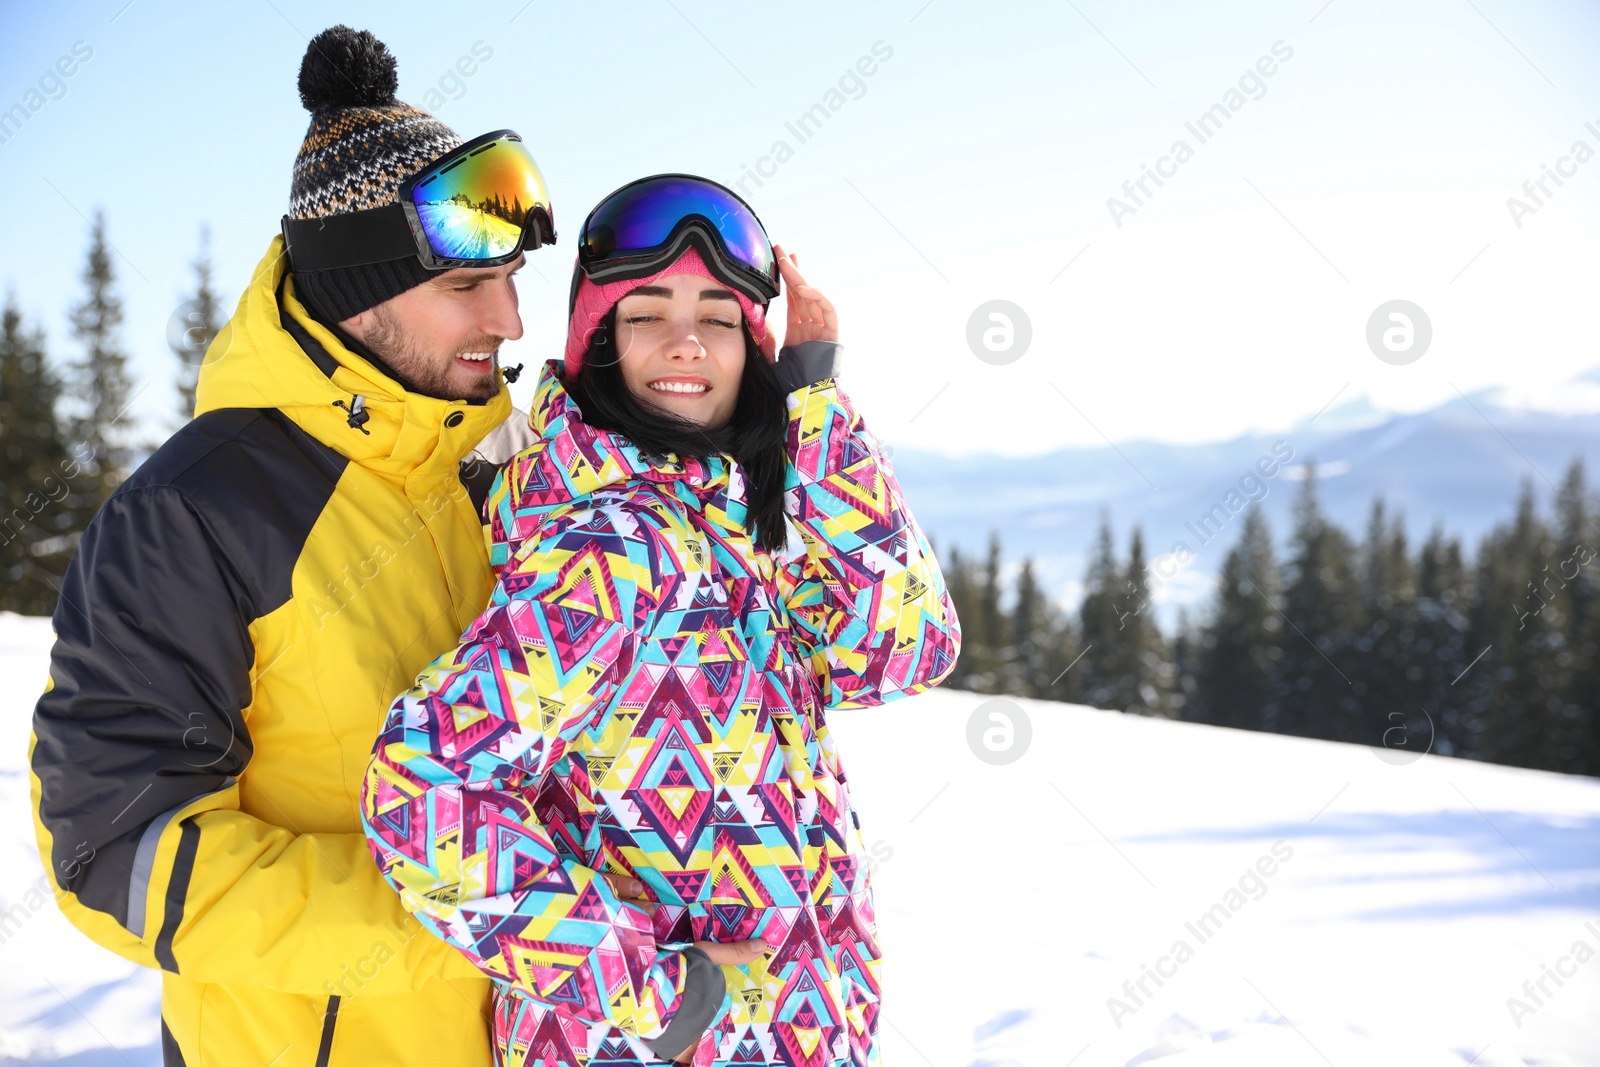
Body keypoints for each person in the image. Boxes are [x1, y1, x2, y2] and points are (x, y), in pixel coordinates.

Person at [28, 26, 557, 1066]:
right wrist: (488, 923)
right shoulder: (197, 509)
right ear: (358, 293)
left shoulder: (512, 468)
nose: (508, 316)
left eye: (511, 277)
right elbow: (116, 850)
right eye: (465, 286)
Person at [360, 175, 961, 1067]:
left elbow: (904, 648)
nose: (687, 341)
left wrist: (815, 404)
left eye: (720, 318)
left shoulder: (717, 533)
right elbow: (422, 791)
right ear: (598, 342)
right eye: (646, 313)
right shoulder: (612, 546)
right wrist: (655, 993)